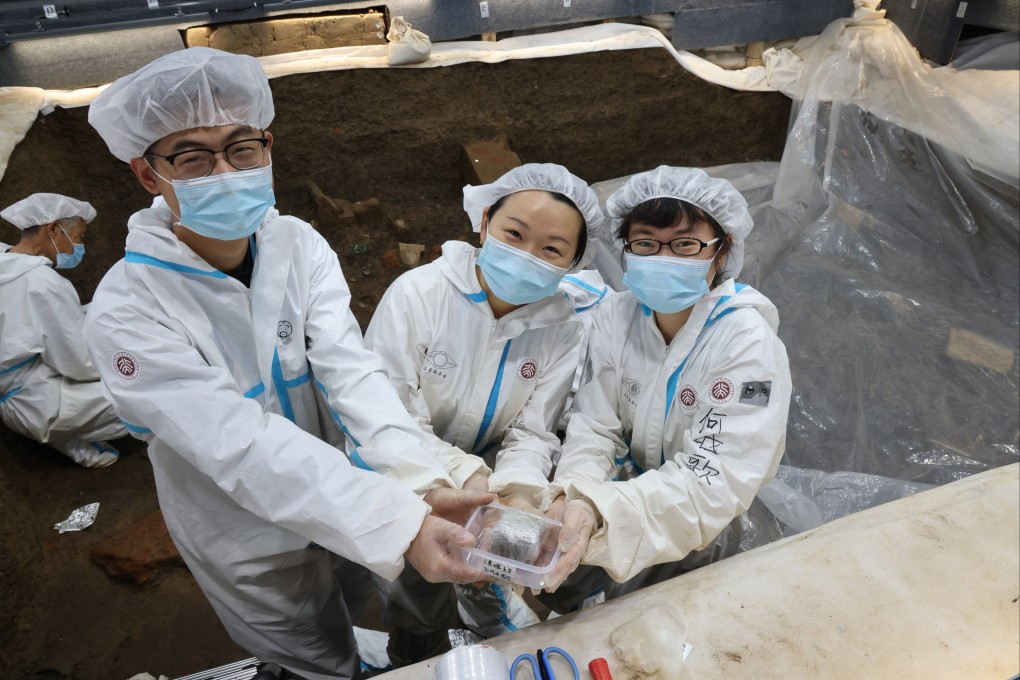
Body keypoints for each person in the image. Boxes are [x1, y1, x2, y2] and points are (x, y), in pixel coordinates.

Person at [83, 47, 493, 680]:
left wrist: (417, 481)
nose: (225, 171)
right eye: (193, 158)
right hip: (241, 529)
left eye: (241, 148)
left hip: (342, 494)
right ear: (148, 175)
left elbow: (350, 373)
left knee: (350, 603)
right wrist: (395, 522)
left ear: (267, 147)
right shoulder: (127, 309)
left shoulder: (298, 245)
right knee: (313, 656)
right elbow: (236, 442)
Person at [364, 164, 609, 640]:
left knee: (487, 561)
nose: (527, 255)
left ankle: (482, 618)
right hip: (399, 465)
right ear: (483, 223)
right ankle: (417, 647)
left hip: (486, 474)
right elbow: (389, 414)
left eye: (552, 249)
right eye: (514, 234)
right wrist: (470, 477)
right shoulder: (420, 295)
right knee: (415, 580)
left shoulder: (561, 329)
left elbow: (533, 430)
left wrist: (517, 494)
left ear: (573, 263)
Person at [541, 166, 792, 607]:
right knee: (561, 584)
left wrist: (601, 511)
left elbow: (712, 482)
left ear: (721, 251)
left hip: (706, 523)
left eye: (684, 244)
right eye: (645, 244)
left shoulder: (745, 341)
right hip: (624, 491)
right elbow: (595, 426)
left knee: (667, 619)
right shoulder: (616, 317)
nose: (663, 258)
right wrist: (576, 494)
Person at [0, 193, 126, 468]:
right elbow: (78, 363)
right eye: (78, 237)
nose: (79, 247)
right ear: (54, 229)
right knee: (140, 391)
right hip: (36, 402)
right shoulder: (41, 282)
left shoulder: (5, 260)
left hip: (15, 390)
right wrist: (123, 357)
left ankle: (74, 443)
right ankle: (68, 431)